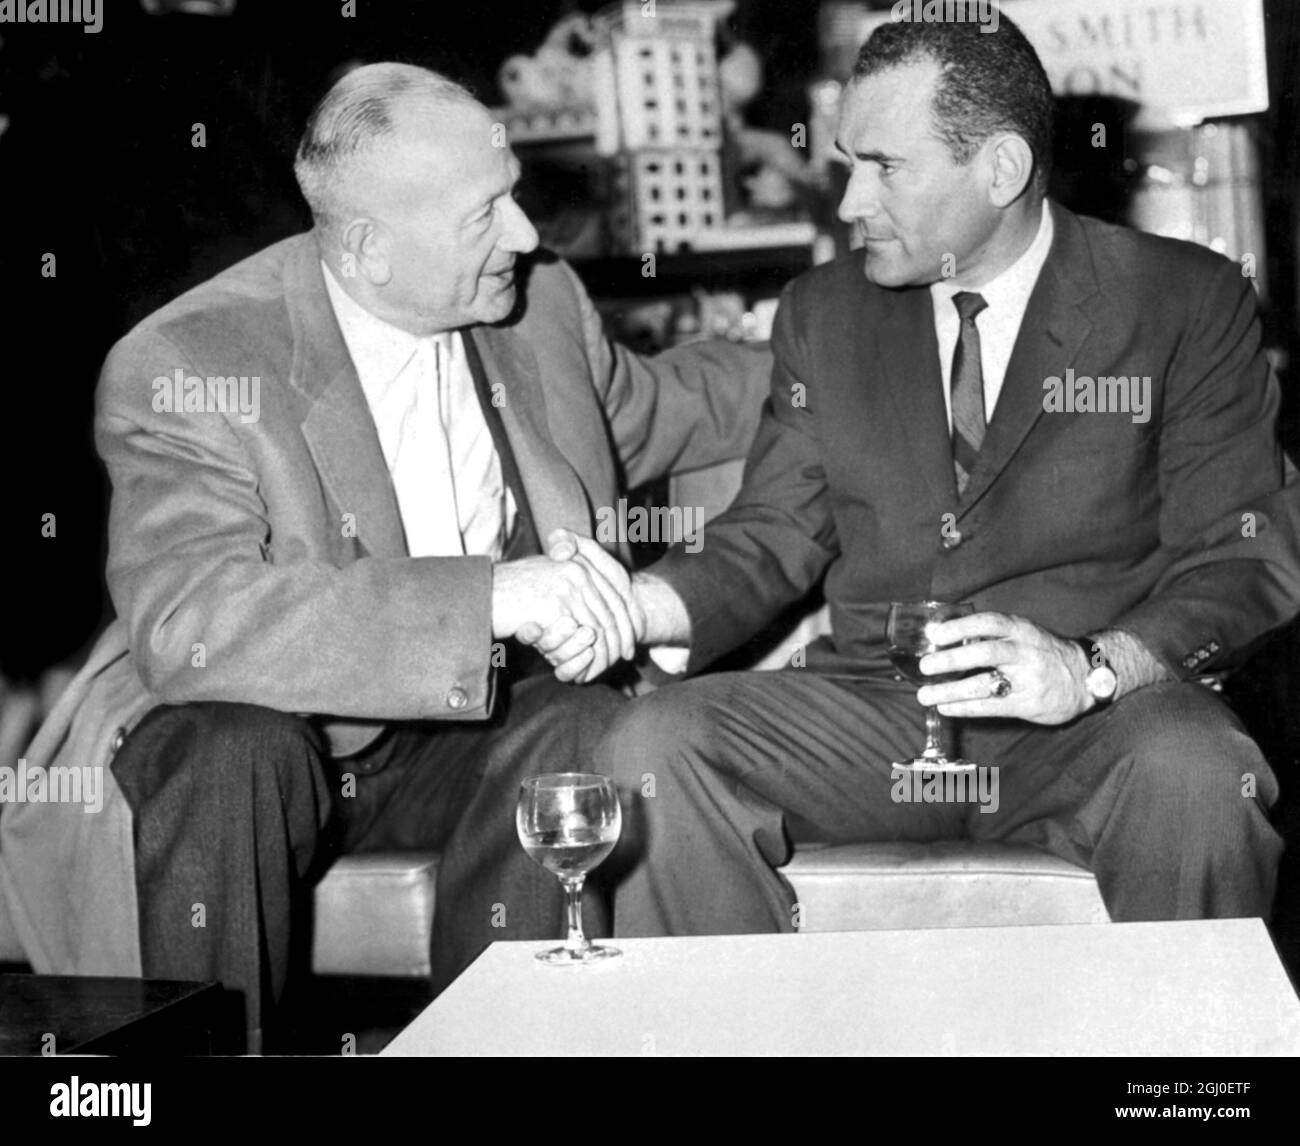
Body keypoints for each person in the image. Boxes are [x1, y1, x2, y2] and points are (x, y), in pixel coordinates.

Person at [0, 63, 770, 1051]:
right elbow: (193, 623)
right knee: (228, 752)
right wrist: (492, 596)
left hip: (468, 728)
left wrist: (859, 335)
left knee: (581, 731)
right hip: (267, 731)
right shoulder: (193, 361)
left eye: (518, 202)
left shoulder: (535, 306)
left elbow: (665, 405)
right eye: (485, 215)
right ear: (366, 247)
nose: (529, 239)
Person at [528, 15, 1300, 936]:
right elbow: (774, 530)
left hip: (1092, 723)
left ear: (1001, 170)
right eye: (848, 162)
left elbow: (1244, 558)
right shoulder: (825, 312)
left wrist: (1091, 669)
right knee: (652, 746)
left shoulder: (1183, 300)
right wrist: (639, 607)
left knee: (1200, 774)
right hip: (875, 712)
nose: (850, 202)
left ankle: (1187, 1083)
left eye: (884, 167)